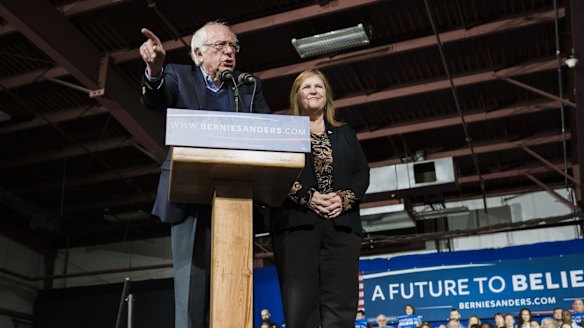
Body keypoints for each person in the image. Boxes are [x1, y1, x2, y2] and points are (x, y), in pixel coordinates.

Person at [139, 20, 271, 328]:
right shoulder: (178, 76)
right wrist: (155, 70)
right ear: (198, 53)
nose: (229, 52)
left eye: (232, 47)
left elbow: (269, 132)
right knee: (191, 293)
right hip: (189, 199)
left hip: (238, 196)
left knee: (234, 286)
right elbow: (153, 99)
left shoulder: (248, 85)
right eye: (220, 46)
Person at [271, 69, 370, 328]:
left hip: (342, 226)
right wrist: (307, 197)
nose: (313, 91)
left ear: (327, 96)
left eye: (319, 87)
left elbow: (362, 172)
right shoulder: (283, 132)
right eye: (306, 87)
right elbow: (274, 171)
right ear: (297, 96)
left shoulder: (346, 132)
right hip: (297, 227)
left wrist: (343, 198)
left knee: (342, 304)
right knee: (300, 305)